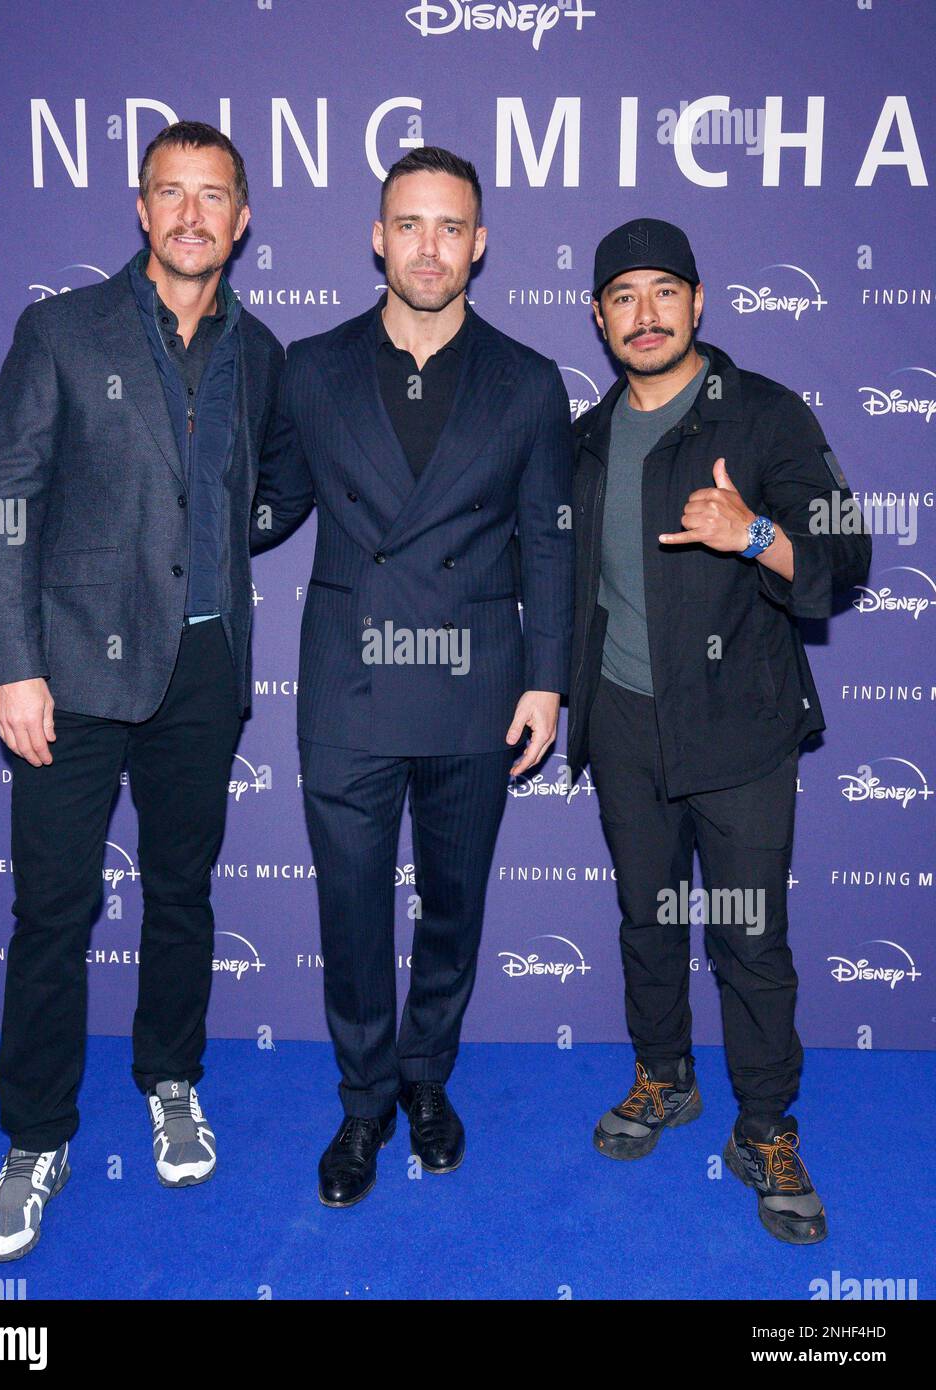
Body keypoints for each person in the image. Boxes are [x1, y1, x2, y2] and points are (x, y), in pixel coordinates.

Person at [0, 121, 307, 1262]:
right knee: (53, 913)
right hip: (69, 670)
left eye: (215, 196)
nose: (193, 214)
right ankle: (35, 1138)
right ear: (140, 207)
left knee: (182, 892)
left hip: (203, 667)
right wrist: (12, 663)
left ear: (242, 218)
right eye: (173, 192)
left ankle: (170, 1076)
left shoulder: (259, 353)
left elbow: (269, 484)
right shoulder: (61, 329)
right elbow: (4, 500)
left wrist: (220, 551)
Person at [267, 147, 573, 1207]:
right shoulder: (307, 367)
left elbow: (548, 538)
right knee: (351, 910)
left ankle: (426, 1078)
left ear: (478, 244)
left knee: (451, 905)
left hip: (474, 686)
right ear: (376, 236)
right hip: (347, 686)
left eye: (450, 227)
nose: (428, 246)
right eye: (409, 224)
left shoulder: (528, 381)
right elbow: (266, 500)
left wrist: (547, 681)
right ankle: (364, 1102)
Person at [566, 218, 871, 1245]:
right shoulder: (587, 435)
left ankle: (765, 1127)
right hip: (620, 722)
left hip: (738, 731)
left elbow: (846, 552)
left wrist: (751, 533)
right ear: (599, 317)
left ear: (697, 303)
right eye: (622, 296)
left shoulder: (764, 416)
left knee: (748, 938)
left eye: (663, 292)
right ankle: (663, 1079)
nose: (643, 314)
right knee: (645, 922)